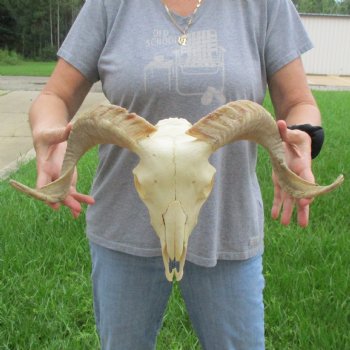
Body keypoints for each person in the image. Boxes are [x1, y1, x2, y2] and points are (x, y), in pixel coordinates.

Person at [29, 0, 323, 349]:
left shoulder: (264, 5)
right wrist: (50, 132)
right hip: (124, 228)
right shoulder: (110, 4)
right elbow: (54, 95)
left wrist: (302, 134)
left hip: (225, 228)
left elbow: (297, 102)